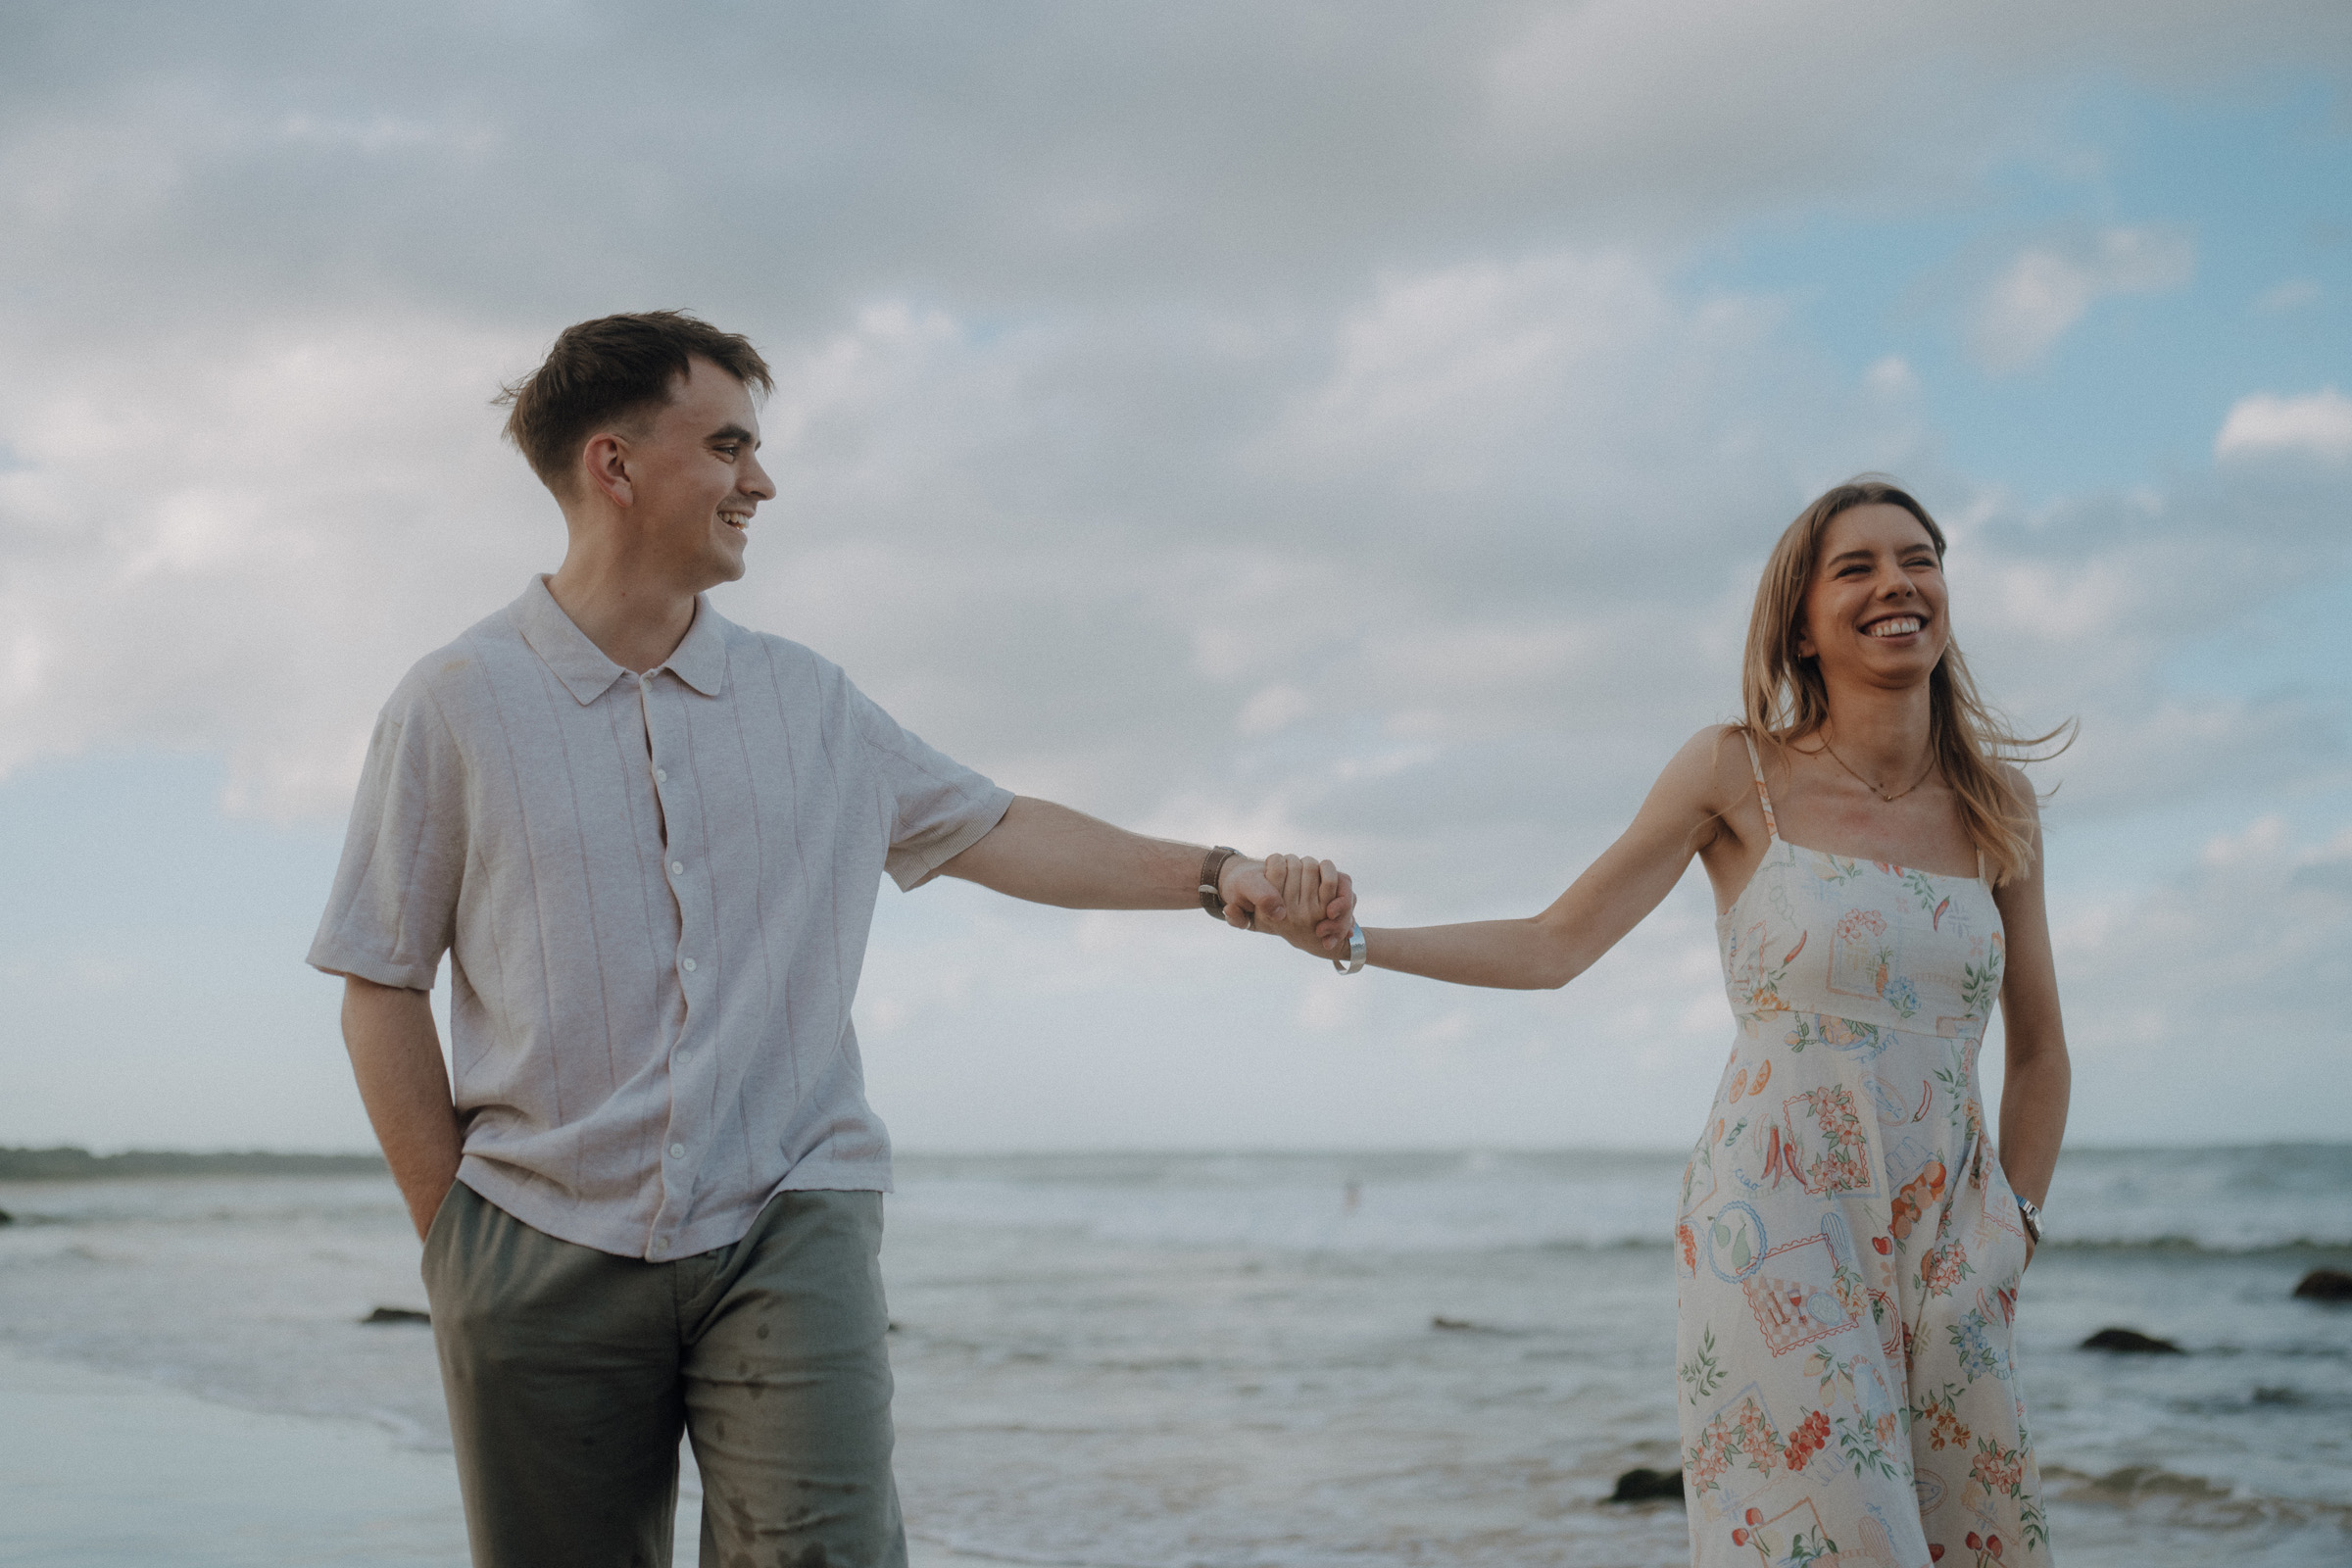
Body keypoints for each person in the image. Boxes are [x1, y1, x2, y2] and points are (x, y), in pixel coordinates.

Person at [305, 310, 1354, 1568]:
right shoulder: (456, 701)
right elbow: (379, 979)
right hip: (536, 1244)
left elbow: (1002, 828)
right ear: (615, 465)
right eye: (729, 445)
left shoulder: (810, 701)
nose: (763, 480)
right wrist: (454, 1240)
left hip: (786, 1216)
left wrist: (1219, 873)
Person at [1258, 478, 2070, 1565]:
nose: (1898, 584)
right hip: (1776, 1225)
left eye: (1919, 558)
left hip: (1948, 1239)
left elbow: (2041, 1047)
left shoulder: (1995, 804)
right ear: (1801, 620)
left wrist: (2008, 1231)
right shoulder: (1739, 772)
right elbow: (1557, 943)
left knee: (1969, 1541)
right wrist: (1359, 941)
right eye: (1858, 566)